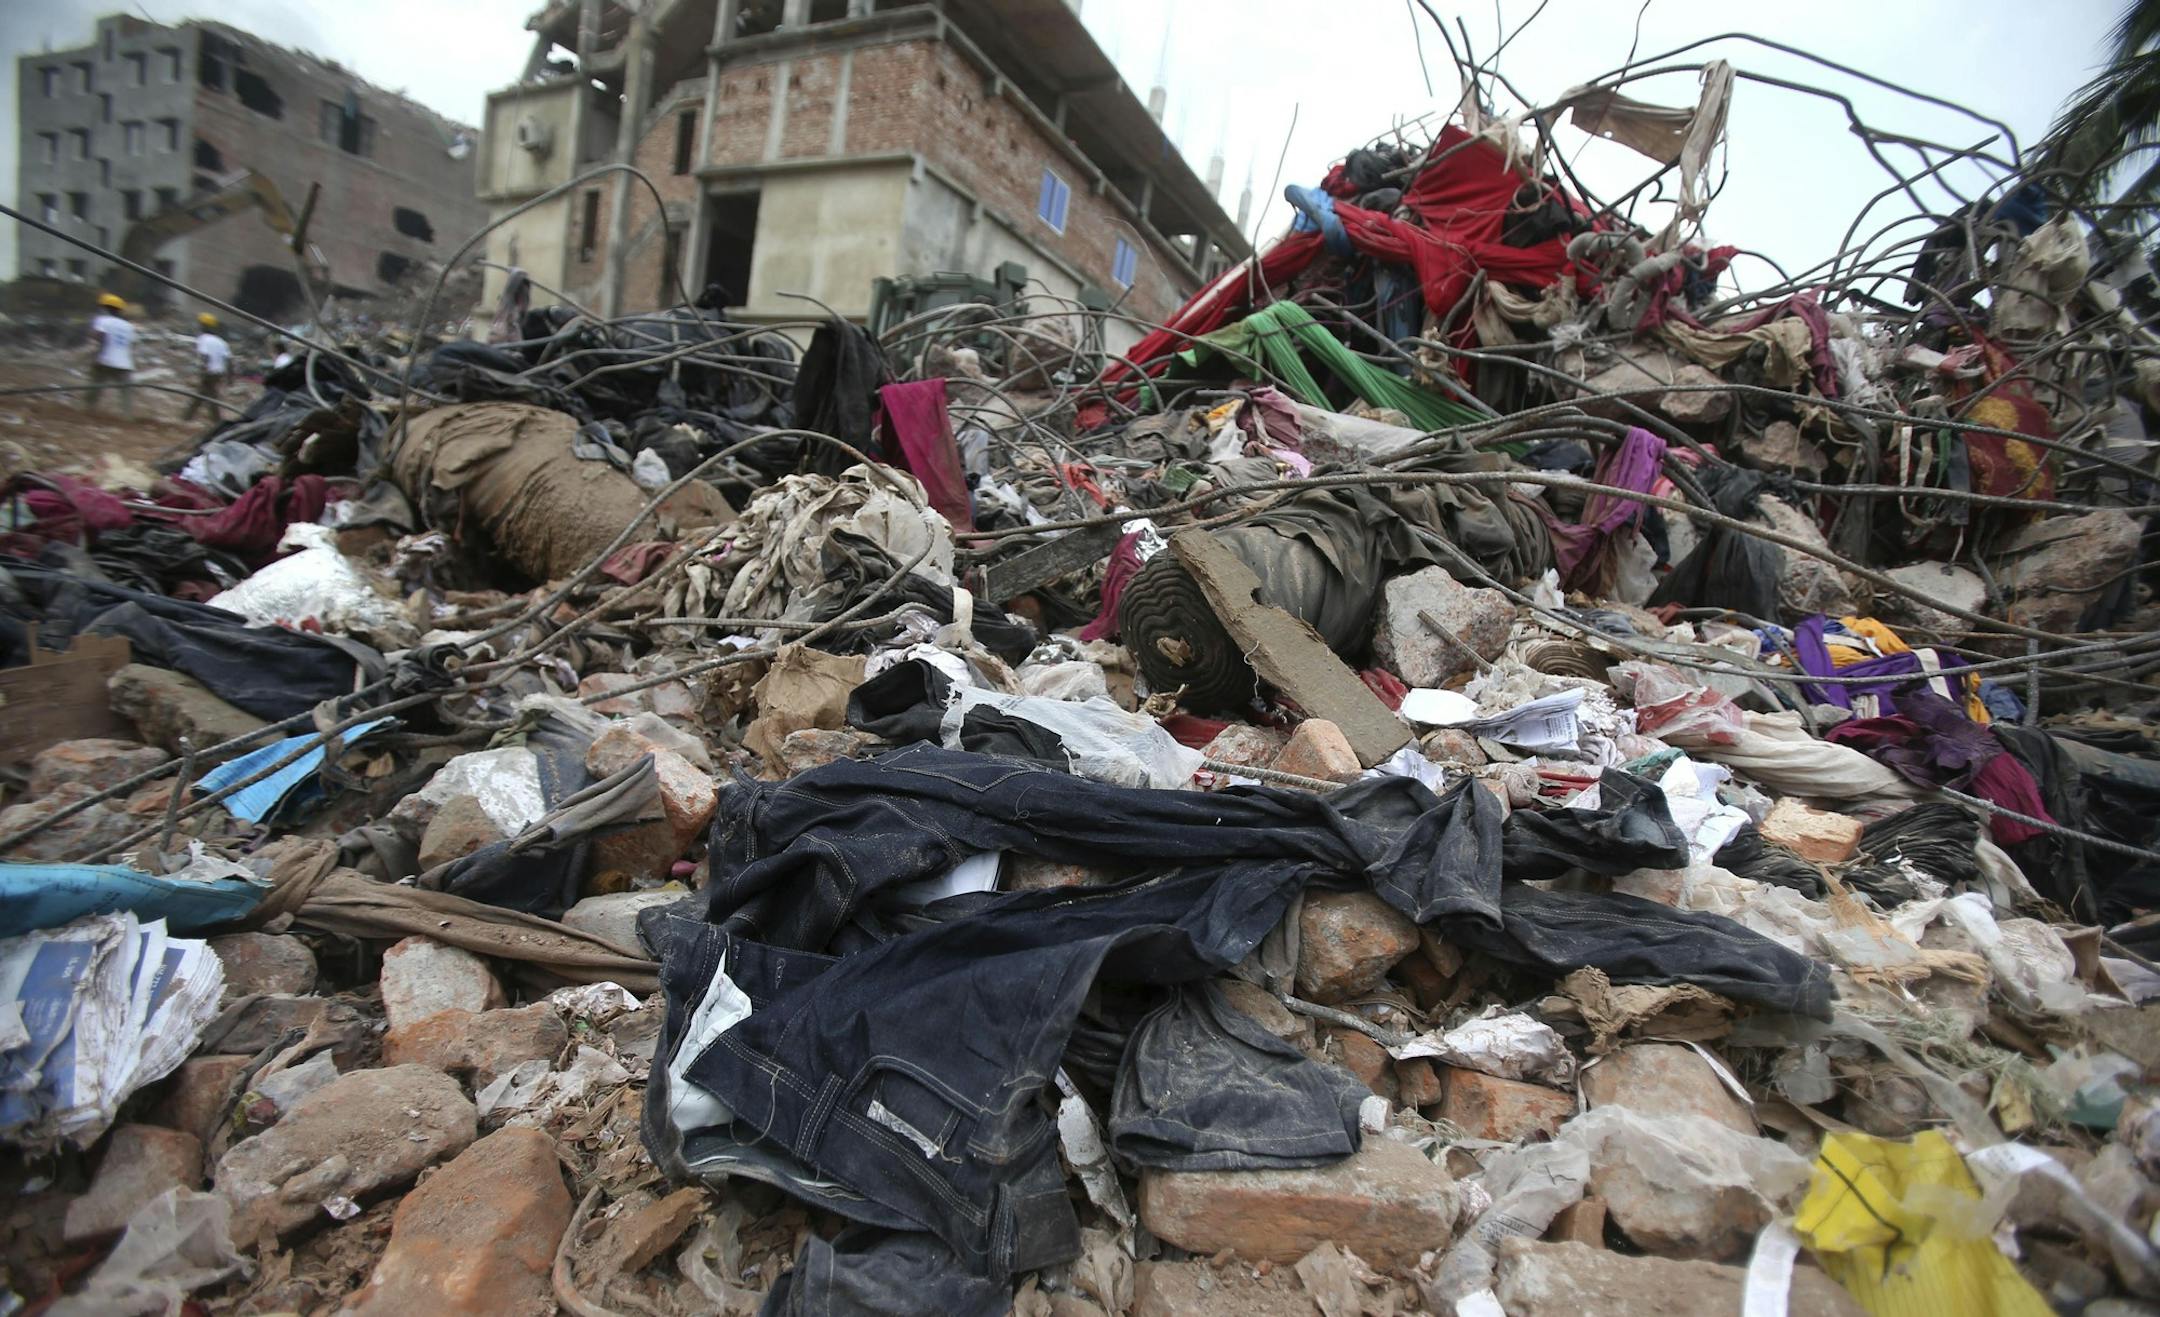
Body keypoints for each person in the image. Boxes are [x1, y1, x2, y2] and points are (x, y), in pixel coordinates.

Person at [86, 293, 137, 417]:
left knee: (95, 387)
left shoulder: (103, 320)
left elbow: (97, 336)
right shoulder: (128, 326)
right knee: (126, 393)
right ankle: (127, 417)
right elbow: (132, 343)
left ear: (105, 308)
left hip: (105, 360)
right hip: (125, 364)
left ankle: (87, 411)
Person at [183, 312, 231, 422]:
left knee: (207, 396)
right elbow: (228, 360)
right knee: (204, 395)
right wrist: (229, 378)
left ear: (204, 326)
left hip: (209, 372)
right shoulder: (221, 341)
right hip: (219, 373)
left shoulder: (203, 338)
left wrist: (202, 372)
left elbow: (205, 356)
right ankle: (188, 417)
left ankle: (215, 421)